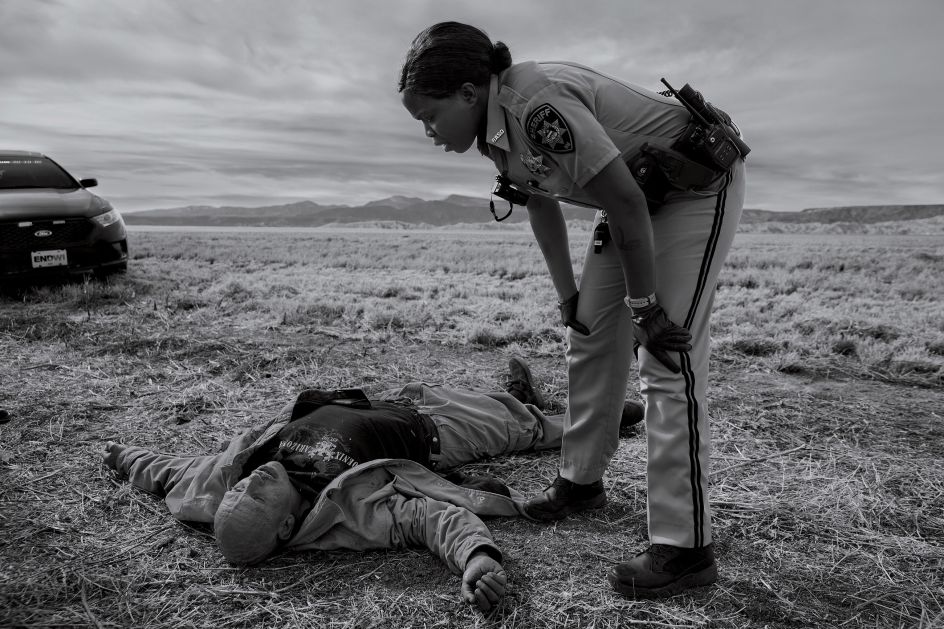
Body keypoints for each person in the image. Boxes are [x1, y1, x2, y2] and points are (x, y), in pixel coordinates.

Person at [398, 22, 747, 599]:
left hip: (692, 188)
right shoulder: (494, 128)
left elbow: (626, 202)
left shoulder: (534, 103)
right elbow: (540, 205)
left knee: (665, 356)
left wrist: (646, 308)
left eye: (429, 116)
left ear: (467, 91)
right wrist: (570, 299)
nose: (430, 132)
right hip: (637, 195)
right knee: (587, 335)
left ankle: (686, 548)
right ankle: (580, 483)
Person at [101, 357, 645, 613]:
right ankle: (594, 416)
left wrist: (125, 456)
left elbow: (172, 470)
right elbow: (431, 520)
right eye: (260, 497)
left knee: (489, 400)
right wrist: (478, 560)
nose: (252, 482)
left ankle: (519, 392)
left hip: (385, 399)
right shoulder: (348, 512)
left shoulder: (231, 482)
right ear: (289, 524)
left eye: (241, 491)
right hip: (435, 434)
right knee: (525, 429)